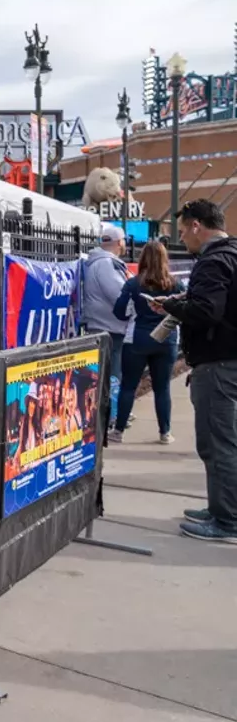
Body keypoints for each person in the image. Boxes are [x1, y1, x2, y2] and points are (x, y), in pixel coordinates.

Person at [149, 200, 237, 544]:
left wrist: (172, 304)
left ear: (198, 225)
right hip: (228, 359)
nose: (182, 237)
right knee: (225, 441)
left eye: (183, 230)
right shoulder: (232, 254)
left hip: (217, 364)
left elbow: (206, 311)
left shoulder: (213, 262)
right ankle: (223, 508)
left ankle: (226, 519)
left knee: (217, 444)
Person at [110, 239, 184, 444]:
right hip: (167, 338)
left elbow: (119, 312)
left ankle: (118, 431)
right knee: (162, 388)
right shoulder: (176, 284)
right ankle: (165, 433)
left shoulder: (133, 283)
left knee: (128, 386)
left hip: (138, 338)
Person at [82, 226, 130, 427]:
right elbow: (119, 295)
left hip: (103, 325)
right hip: (110, 326)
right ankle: (112, 414)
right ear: (120, 242)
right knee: (113, 373)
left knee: (108, 371)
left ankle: (111, 410)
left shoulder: (98, 263)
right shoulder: (106, 265)